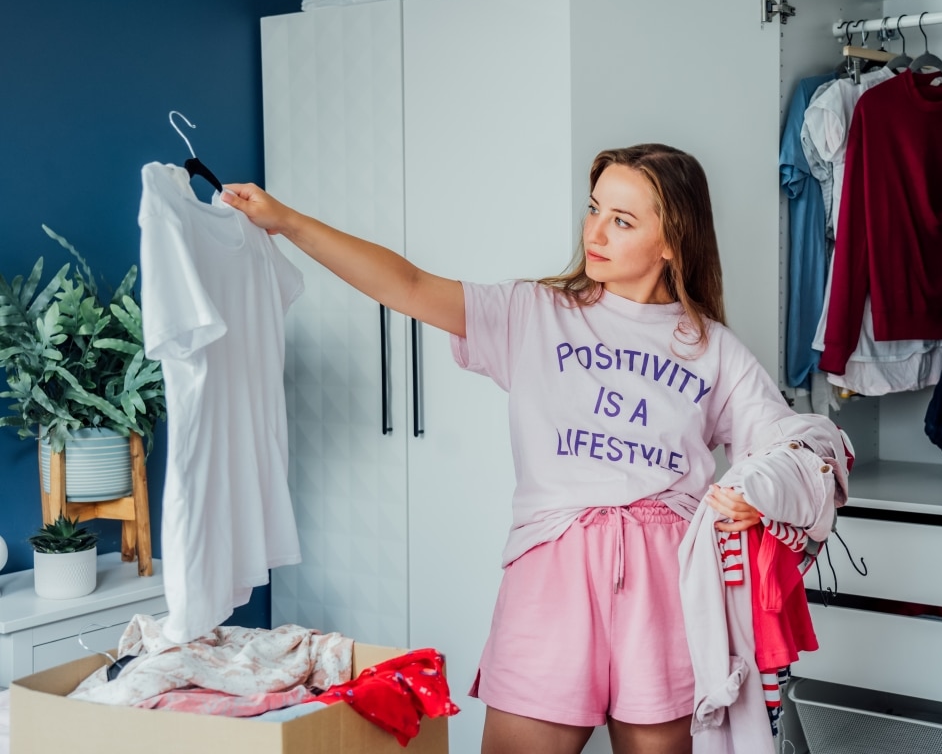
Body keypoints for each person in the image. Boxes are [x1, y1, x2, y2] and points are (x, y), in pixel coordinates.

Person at [221, 143, 806, 754]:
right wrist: (287, 221)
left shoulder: (713, 348)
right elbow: (409, 284)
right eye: (594, 209)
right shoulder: (536, 312)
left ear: (671, 240)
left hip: (664, 581)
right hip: (552, 569)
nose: (595, 232)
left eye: (622, 220)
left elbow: (786, 445)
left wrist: (758, 495)